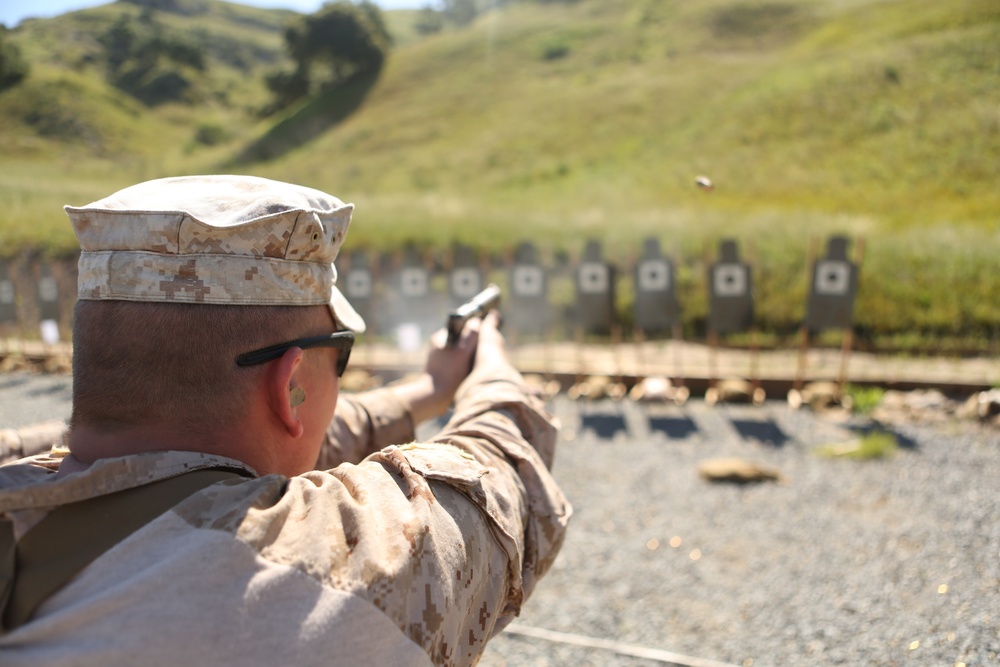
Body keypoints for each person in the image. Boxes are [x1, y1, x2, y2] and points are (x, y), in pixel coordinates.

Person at [0, 175, 571, 666]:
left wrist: (431, 388)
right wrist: (491, 366)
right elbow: (496, 474)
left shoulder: (20, 477)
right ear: (290, 385)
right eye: (338, 358)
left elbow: (238, 448)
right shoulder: (318, 567)